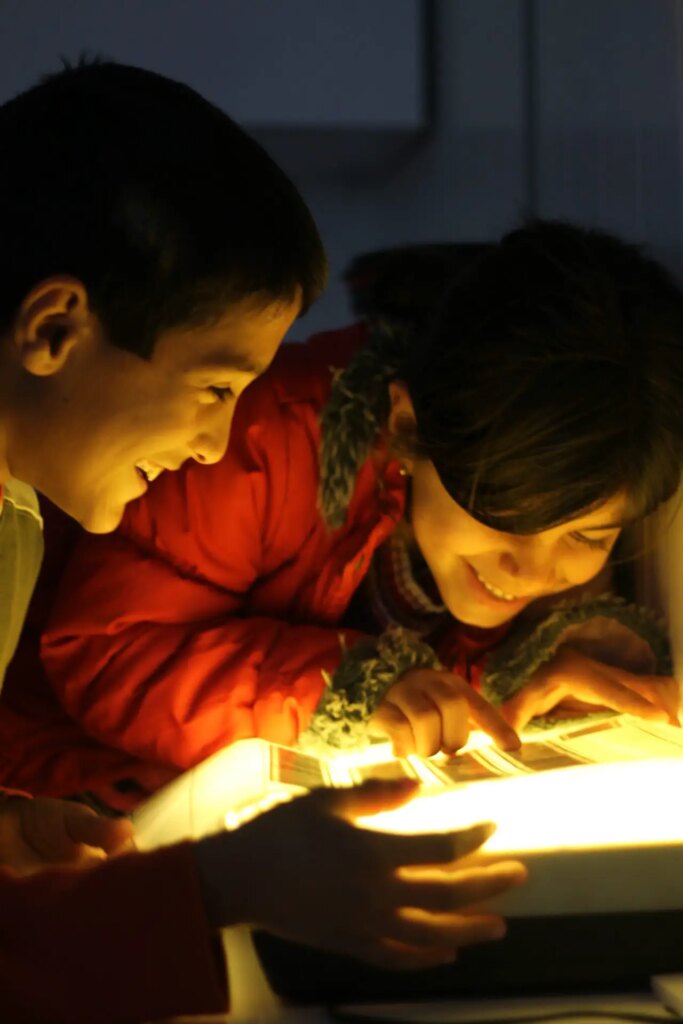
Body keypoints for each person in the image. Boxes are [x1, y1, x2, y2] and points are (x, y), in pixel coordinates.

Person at [0, 60, 526, 1024]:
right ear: (53, 328)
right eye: (213, 389)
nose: (212, 442)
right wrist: (214, 887)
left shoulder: (17, 514)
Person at [36, 221, 683, 803]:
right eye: (505, 515)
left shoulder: (571, 482)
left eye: (587, 535)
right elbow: (107, 649)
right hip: (64, 791)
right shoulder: (259, 440)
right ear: (407, 423)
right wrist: (354, 691)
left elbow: (463, 677)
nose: (533, 569)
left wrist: (526, 680)